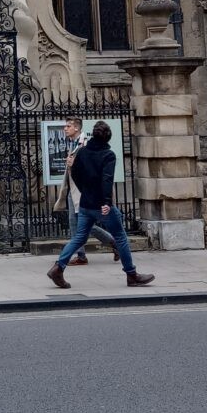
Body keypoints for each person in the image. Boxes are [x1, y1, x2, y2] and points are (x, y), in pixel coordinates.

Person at [47, 121, 154, 289]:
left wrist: (85, 191)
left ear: (93, 135)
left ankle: (58, 268)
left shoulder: (82, 152)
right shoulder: (108, 155)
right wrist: (105, 202)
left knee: (79, 237)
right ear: (108, 137)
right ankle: (131, 275)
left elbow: (74, 172)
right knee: (120, 237)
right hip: (101, 205)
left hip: (85, 204)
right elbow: (106, 179)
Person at [53, 116, 118, 267]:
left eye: (68, 126)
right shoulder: (73, 144)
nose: (65, 128)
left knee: (84, 223)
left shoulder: (85, 144)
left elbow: (90, 166)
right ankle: (81, 255)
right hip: (72, 188)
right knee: (73, 222)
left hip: (83, 189)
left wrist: (73, 163)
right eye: (65, 126)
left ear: (77, 128)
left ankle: (113, 242)